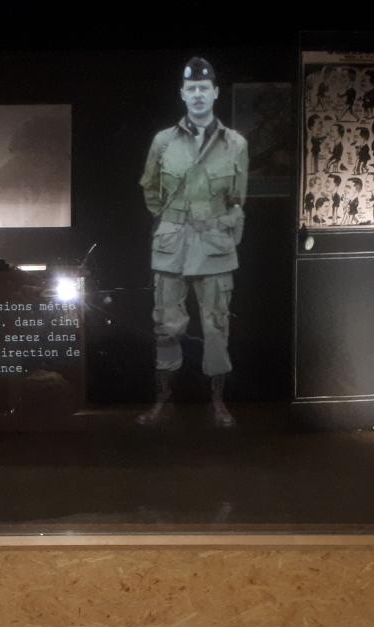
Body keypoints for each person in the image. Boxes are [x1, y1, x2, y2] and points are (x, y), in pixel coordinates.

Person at [137, 57, 249, 428]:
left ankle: (218, 402)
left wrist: (223, 231)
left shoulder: (235, 144)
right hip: (172, 245)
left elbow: (237, 198)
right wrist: (173, 220)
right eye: (191, 89)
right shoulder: (163, 141)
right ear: (182, 94)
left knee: (217, 326)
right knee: (165, 325)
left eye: (204, 88)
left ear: (215, 93)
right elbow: (150, 188)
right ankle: (162, 399)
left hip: (215, 245)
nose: (198, 94)